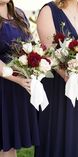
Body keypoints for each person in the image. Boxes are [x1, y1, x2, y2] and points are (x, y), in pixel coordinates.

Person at [35, 0, 78, 157]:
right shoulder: (49, 10)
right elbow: (50, 52)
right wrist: (69, 75)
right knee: (57, 133)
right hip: (58, 84)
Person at [0, 0, 39, 157]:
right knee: (4, 144)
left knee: (9, 143)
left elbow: (30, 44)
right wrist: (19, 80)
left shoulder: (19, 14)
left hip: (18, 85)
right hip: (4, 84)